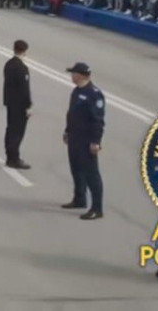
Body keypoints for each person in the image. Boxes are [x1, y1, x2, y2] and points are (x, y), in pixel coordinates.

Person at [62, 62, 104, 220]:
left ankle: (97, 208)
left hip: (87, 140)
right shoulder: (76, 91)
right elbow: (72, 114)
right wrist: (67, 130)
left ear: (81, 75)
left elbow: (97, 121)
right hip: (74, 137)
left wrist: (96, 141)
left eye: (73, 73)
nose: (72, 76)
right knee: (76, 169)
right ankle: (79, 198)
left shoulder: (94, 94)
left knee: (91, 174)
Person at [2, 40, 32, 169]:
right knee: (17, 132)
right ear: (25, 51)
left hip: (10, 102)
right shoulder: (22, 68)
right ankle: (14, 158)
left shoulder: (8, 64)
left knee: (10, 130)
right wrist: (28, 106)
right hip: (19, 105)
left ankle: (9, 156)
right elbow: (24, 89)